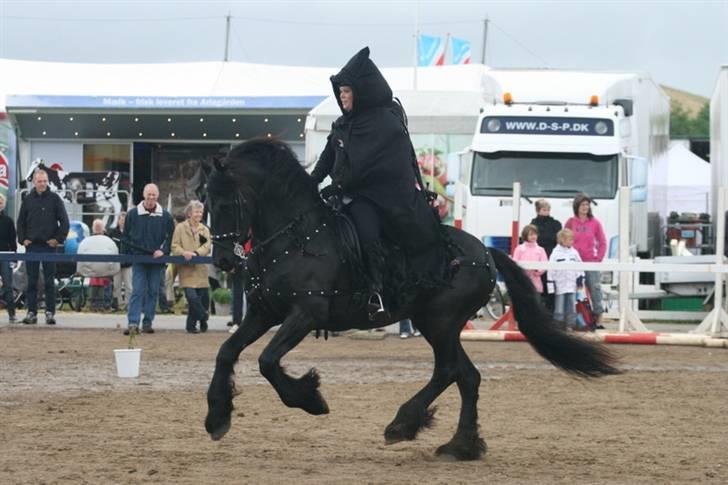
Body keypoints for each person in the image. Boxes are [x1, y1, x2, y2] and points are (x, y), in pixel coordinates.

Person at [310, 47, 442, 321]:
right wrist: (309, 184)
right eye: (341, 91)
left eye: (347, 91)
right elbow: (327, 159)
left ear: (361, 92)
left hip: (375, 197)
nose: (342, 96)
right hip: (343, 194)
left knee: (367, 233)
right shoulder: (342, 124)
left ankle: (376, 293)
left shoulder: (385, 122)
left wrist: (339, 185)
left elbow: (367, 167)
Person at [16, 168, 69, 325]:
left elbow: (64, 222)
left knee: (49, 281)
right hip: (32, 246)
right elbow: (20, 222)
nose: (42, 184)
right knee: (31, 281)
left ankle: (49, 313)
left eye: (45, 181)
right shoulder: (27, 199)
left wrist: (57, 239)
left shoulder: (55, 199)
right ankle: (31, 312)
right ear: (34, 182)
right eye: (39, 181)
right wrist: (22, 239)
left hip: (48, 247)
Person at [122, 183, 174, 335]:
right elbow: (126, 237)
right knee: (137, 290)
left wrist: (163, 251)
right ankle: (133, 322)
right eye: (149, 195)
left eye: (154, 195)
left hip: (157, 261)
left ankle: (148, 322)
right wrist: (132, 253)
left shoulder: (165, 216)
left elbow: (170, 238)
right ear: (144, 195)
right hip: (139, 260)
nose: (151, 198)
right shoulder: (132, 214)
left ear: (157, 197)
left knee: (153, 291)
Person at [565, 193, 607, 325]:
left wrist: (598, 258)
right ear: (576, 206)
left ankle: (598, 317)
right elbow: (563, 240)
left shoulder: (595, 223)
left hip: (590, 262)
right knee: (572, 290)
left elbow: (602, 242)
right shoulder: (570, 222)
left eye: (587, 205)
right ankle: (574, 319)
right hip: (574, 263)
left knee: (595, 290)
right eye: (582, 204)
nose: (585, 207)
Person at [171, 200, 212, 334]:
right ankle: (203, 317)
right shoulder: (180, 228)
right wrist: (184, 253)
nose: (199, 214)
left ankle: (191, 326)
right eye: (196, 212)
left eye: (201, 212)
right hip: (186, 269)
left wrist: (196, 253)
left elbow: (207, 247)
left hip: (201, 269)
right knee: (192, 297)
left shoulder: (204, 229)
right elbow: (175, 245)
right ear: (189, 213)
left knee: (201, 299)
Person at [77, 219, 119, 311]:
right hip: (106, 271)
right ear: (103, 229)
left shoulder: (85, 241)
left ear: (93, 229)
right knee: (106, 279)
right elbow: (116, 258)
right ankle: (106, 304)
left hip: (90, 271)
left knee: (94, 280)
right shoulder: (109, 242)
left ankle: (91, 303)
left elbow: (80, 257)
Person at [547, 229, 584, 330]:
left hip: (572, 285)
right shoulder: (555, 254)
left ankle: (570, 325)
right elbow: (550, 270)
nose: (572, 241)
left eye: (572, 239)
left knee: (571, 306)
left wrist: (580, 279)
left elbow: (580, 266)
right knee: (559, 308)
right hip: (560, 285)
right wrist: (551, 285)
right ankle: (558, 326)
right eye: (569, 239)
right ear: (562, 240)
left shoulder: (574, 253)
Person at [530, 199, 561, 310]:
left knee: (551, 286)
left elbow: (557, 239)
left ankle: (551, 311)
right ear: (538, 210)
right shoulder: (534, 224)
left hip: (552, 257)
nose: (547, 212)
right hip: (538, 258)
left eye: (548, 209)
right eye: (544, 210)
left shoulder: (556, 224)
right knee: (538, 287)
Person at [512, 224, 548, 294]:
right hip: (522, 280)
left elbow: (545, 263)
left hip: (536, 280)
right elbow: (514, 262)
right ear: (525, 236)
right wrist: (521, 273)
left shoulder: (541, 250)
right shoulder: (519, 249)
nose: (533, 236)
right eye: (531, 234)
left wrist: (537, 272)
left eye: (535, 234)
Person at [107, 211, 132, 310]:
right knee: (116, 285)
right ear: (118, 221)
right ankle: (117, 304)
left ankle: (128, 304)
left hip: (128, 263)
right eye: (121, 220)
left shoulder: (131, 233)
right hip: (116, 263)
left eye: (125, 220)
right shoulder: (112, 233)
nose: (123, 222)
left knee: (129, 285)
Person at [0, 193, 17, 323]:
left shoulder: (9, 221)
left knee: (8, 285)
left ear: (4, 204)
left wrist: (14, 257)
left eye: (1, 202)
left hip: (6, 256)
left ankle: (12, 313)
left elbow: (13, 241)